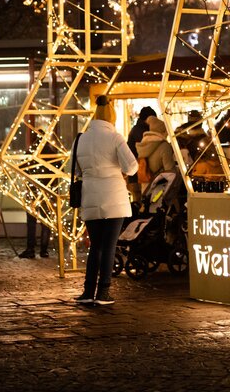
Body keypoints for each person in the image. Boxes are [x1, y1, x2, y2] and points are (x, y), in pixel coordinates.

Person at [76, 95, 138, 306]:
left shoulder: (80, 139)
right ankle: (103, 292)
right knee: (109, 246)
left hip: (90, 196)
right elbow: (131, 166)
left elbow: (74, 170)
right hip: (114, 197)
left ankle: (87, 292)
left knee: (95, 246)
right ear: (112, 115)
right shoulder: (115, 137)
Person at [136, 115, 177, 191]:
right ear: (162, 131)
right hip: (160, 188)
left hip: (145, 187)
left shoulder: (143, 144)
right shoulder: (164, 146)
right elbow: (170, 171)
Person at [125, 106, 156, 202]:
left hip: (136, 175)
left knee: (139, 202)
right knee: (141, 203)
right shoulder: (142, 131)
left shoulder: (137, 129)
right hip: (139, 176)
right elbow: (146, 151)